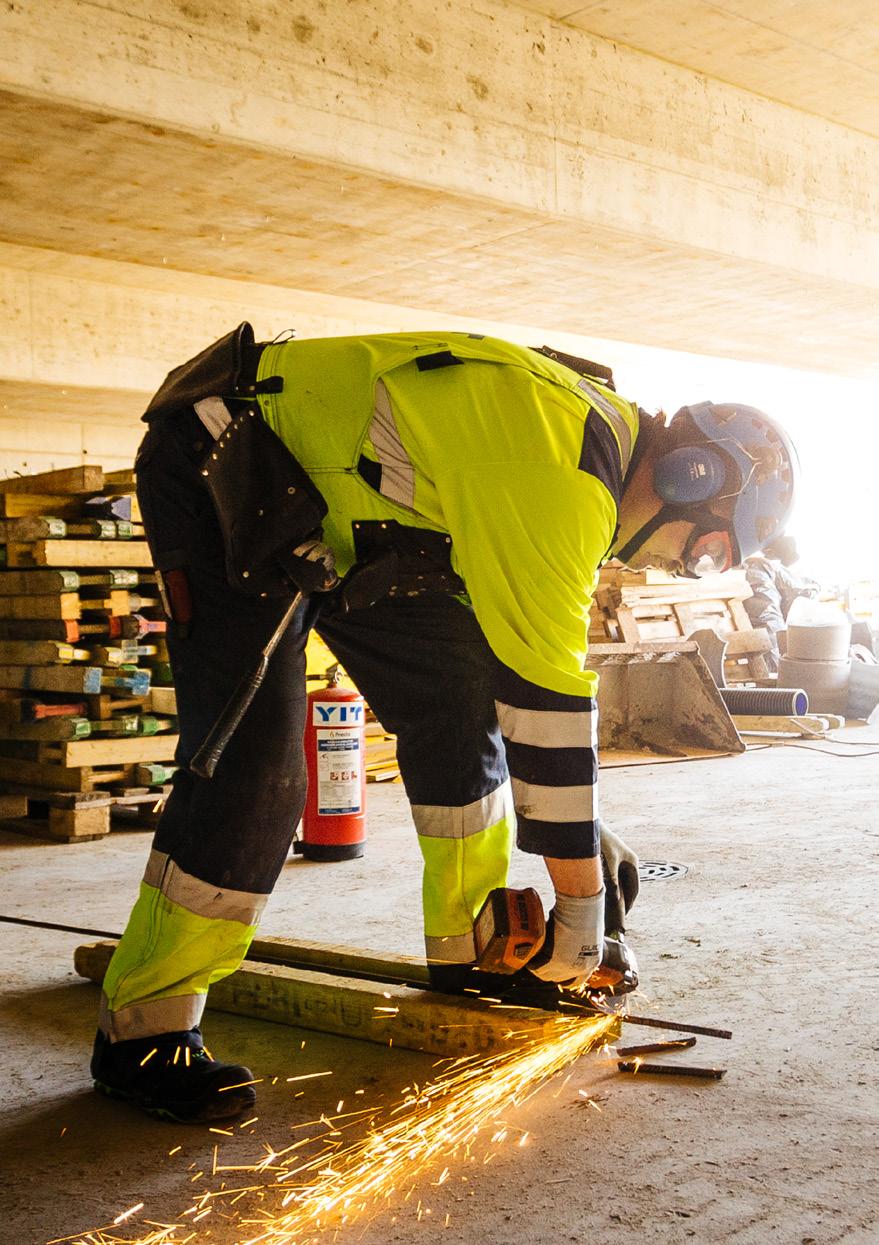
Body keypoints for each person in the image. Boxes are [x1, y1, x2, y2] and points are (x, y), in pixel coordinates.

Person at [90, 326, 798, 1122]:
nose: (672, 566)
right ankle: (143, 1028)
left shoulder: (581, 457)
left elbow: (517, 687)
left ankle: (476, 955)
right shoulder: (559, 475)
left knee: (462, 714)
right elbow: (546, 694)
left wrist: (578, 848)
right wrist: (580, 904)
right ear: (686, 475)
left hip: (346, 516)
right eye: (699, 551)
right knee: (255, 766)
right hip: (226, 456)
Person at [744, 534, 818, 670]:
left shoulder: (764, 565)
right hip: (765, 626)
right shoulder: (760, 566)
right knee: (771, 626)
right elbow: (767, 618)